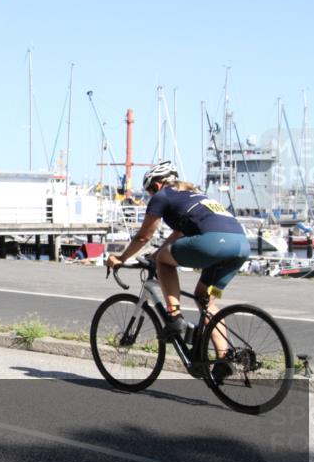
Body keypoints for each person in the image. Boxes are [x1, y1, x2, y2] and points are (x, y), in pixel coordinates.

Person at [106, 161, 250, 384]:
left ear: (159, 184)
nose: (151, 195)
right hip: (240, 246)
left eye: (150, 190)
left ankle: (174, 318)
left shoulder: (163, 195)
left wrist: (121, 258)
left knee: (164, 262)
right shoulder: (195, 197)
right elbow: (179, 233)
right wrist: (157, 253)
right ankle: (223, 359)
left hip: (215, 242)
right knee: (205, 300)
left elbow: (144, 235)